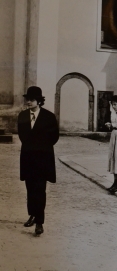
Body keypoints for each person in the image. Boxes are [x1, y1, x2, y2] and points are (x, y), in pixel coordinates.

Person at [18, 86, 59, 235]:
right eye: (27, 99)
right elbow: (22, 136)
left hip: (43, 159)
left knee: (40, 190)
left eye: (31, 99)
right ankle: (33, 215)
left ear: (39, 101)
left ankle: (39, 223)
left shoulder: (49, 117)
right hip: (28, 158)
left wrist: (40, 146)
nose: (28, 102)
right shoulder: (22, 116)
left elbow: (54, 137)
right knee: (30, 189)